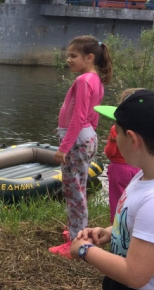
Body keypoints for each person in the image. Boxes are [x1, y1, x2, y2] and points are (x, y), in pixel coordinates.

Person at [69, 89, 154, 289]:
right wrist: (110, 232)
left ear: (132, 139)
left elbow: (134, 275)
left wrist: (84, 250)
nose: (113, 137)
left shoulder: (151, 202)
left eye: (116, 132)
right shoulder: (143, 176)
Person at [49, 35, 112, 259]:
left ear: (90, 57)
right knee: (80, 187)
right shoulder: (96, 80)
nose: (69, 59)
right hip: (86, 138)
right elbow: (92, 116)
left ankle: (76, 241)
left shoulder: (84, 81)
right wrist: (91, 136)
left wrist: (64, 148)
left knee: (73, 191)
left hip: (75, 141)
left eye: (73, 56)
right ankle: (77, 230)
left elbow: (78, 117)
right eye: (69, 55)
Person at [103, 88, 143, 224]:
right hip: (138, 168)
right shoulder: (144, 129)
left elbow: (110, 152)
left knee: (118, 201)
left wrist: (112, 140)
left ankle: (117, 228)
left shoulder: (116, 130)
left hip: (119, 170)